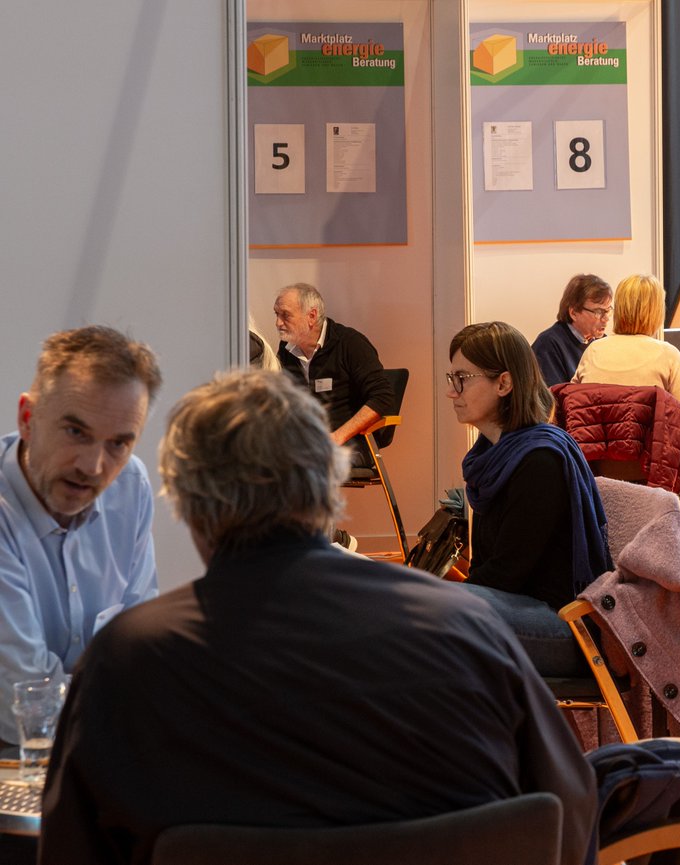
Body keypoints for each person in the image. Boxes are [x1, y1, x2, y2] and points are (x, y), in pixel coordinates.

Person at [40, 368, 598, 865]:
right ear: (330, 487)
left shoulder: (127, 660)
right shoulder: (466, 629)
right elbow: (570, 815)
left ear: (187, 504)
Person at [0, 326, 161, 746]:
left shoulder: (131, 486)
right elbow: (21, 701)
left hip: (98, 750)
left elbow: (139, 646)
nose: (92, 466)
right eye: (76, 433)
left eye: (119, 444)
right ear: (27, 419)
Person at [448, 321, 612, 677]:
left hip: (564, 627)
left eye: (462, 378)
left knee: (435, 616)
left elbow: (506, 575)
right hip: (520, 611)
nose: (452, 392)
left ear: (503, 383)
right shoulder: (492, 457)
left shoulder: (539, 461)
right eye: (452, 379)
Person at [572, 273, 680, 542]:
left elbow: (572, 410)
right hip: (655, 473)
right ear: (656, 312)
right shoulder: (667, 355)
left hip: (600, 471)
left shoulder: (593, 352)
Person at [274, 282, 397, 468]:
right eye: (277, 314)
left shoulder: (350, 344)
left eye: (285, 315)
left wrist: (337, 436)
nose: (278, 323)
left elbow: (383, 397)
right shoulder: (286, 349)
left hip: (352, 444)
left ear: (312, 316)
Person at [531, 274, 613, 386]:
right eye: (598, 312)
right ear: (574, 312)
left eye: (607, 311)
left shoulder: (603, 343)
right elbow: (554, 398)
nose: (606, 319)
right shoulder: (548, 345)